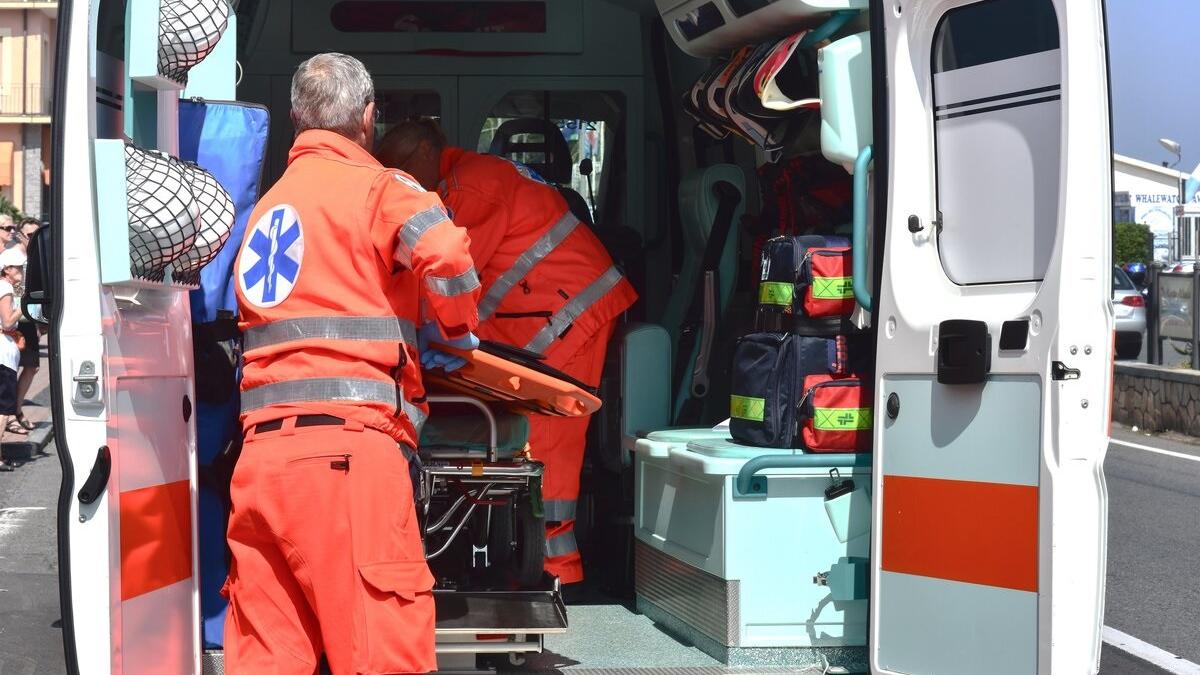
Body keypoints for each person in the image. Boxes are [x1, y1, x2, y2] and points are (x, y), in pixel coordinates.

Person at [227, 53, 480, 675]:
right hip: (346, 462)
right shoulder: (379, 188)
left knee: (270, 654)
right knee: (380, 647)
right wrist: (458, 326)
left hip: (260, 464)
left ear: (296, 119)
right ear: (368, 117)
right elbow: (446, 253)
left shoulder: (267, 210)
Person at [376, 118, 638, 586]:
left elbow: (449, 275)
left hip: (569, 318)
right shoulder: (471, 179)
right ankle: (518, 553)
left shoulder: (471, 190)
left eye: (400, 168)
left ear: (423, 153)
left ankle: (557, 571)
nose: (400, 181)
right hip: (552, 312)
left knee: (549, 439)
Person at [11, 217, 42, 433]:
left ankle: (16, 409)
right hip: (11, 320)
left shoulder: (38, 258)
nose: (33, 239)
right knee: (9, 368)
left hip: (29, 319)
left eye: (36, 235)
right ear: (20, 235)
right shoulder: (10, 257)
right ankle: (9, 415)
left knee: (31, 366)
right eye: (30, 235)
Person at [0, 259, 23, 470]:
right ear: (7, 269)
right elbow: (7, 321)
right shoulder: (5, 286)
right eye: (19, 267)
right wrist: (23, 304)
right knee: (4, 407)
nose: (22, 270)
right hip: (3, 354)